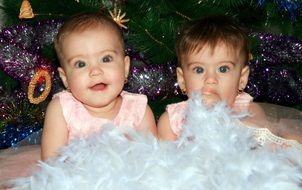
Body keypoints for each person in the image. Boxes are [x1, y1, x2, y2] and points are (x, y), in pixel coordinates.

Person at [157, 15, 302, 149]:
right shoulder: (172, 122)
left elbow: (259, 152)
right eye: (199, 70)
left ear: (241, 79)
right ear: (182, 80)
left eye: (223, 69)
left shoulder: (249, 112)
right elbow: (167, 168)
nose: (211, 79)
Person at [41, 12, 157, 160]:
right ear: (65, 78)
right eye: (81, 64)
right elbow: (51, 164)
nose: (95, 71)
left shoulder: (138, 111)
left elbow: (153, 161)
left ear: (125, 67)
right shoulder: (62, 109)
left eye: (106, 59)